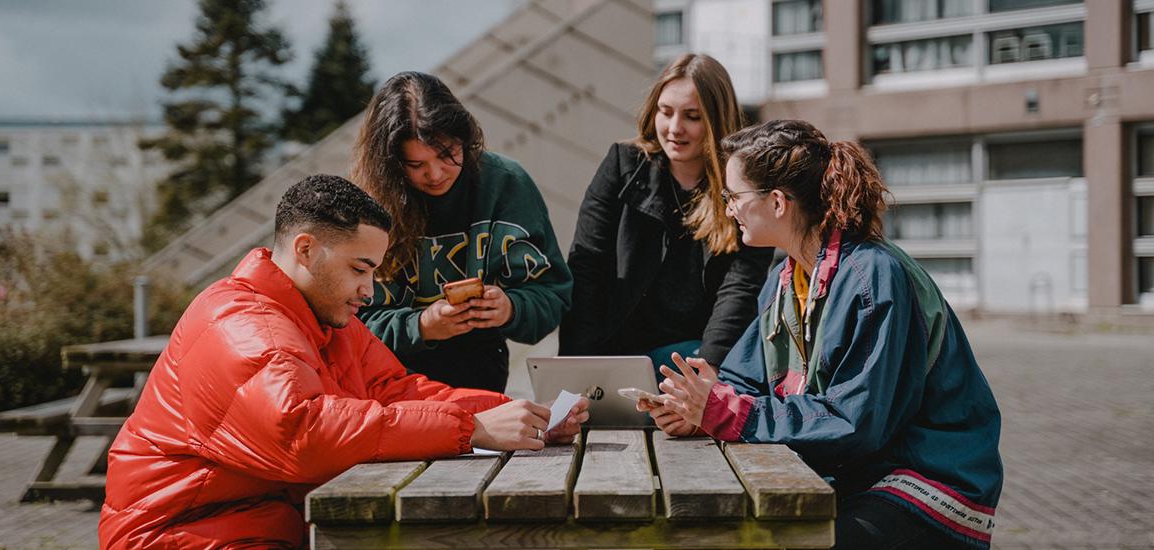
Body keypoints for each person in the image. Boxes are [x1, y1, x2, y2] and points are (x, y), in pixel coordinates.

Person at [98, 175, 588, 549]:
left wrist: (521, 418)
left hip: (266, 520)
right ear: (306, 250)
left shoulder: (324, 317)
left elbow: (399, 390)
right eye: (360, 269)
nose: (369, 291)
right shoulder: (244, 326)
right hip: (180, 534)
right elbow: (302, 432)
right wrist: (470, 427)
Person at [643, 120, 1003, 550]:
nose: (728, 209)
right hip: (858, 474)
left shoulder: (873, 275)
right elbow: (743, 383)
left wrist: (730, 412)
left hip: (928, 482)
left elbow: (855, 421)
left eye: (733, 197)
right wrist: (699, 411)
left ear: (777, 202)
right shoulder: (785, 279)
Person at [352, 71, 572, 393]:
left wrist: (510, 308)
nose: (436, 174)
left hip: (480, 381)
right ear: (390, 164)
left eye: (447, 154)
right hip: (389, 386)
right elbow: (346, 324)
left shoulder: (506, 184)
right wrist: (422, 326)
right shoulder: (366, 202)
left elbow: (553, 295)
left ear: (466, 139)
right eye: (416, 165)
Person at [559, 53, 773, 374]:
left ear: (716, 120)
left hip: (695, 353)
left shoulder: (744, 184)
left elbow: (740, 287)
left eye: (692, 116)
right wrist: (576, 369)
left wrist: (709, 368)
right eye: (665, 112)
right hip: (619, 352)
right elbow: (586, 265)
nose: (675, 128)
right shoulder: (623, 165)